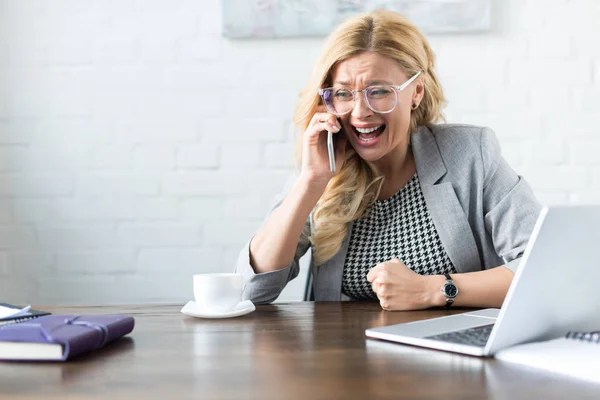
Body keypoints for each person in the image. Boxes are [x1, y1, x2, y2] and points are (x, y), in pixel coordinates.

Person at [235, 9, 541, 311]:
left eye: (379, 91)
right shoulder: (323, 171)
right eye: (343, 94)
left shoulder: (471, 153)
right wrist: (310, 182)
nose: (360, 112)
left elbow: (542, 268)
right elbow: (250, 290)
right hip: (342, 355)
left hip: (451, 351)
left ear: (416, 92)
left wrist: (432, 290)